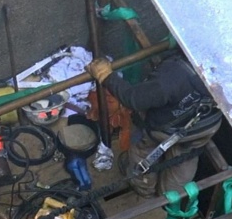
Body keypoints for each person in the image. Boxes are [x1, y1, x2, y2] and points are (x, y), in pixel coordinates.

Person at [85, 54, 222, 197]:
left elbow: (135, 99)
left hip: (165, 130)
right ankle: (170, 197)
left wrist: (105, 75)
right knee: (185, 158)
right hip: (206, 126)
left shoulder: (173, 74)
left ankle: (144, 189)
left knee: (142, 154)